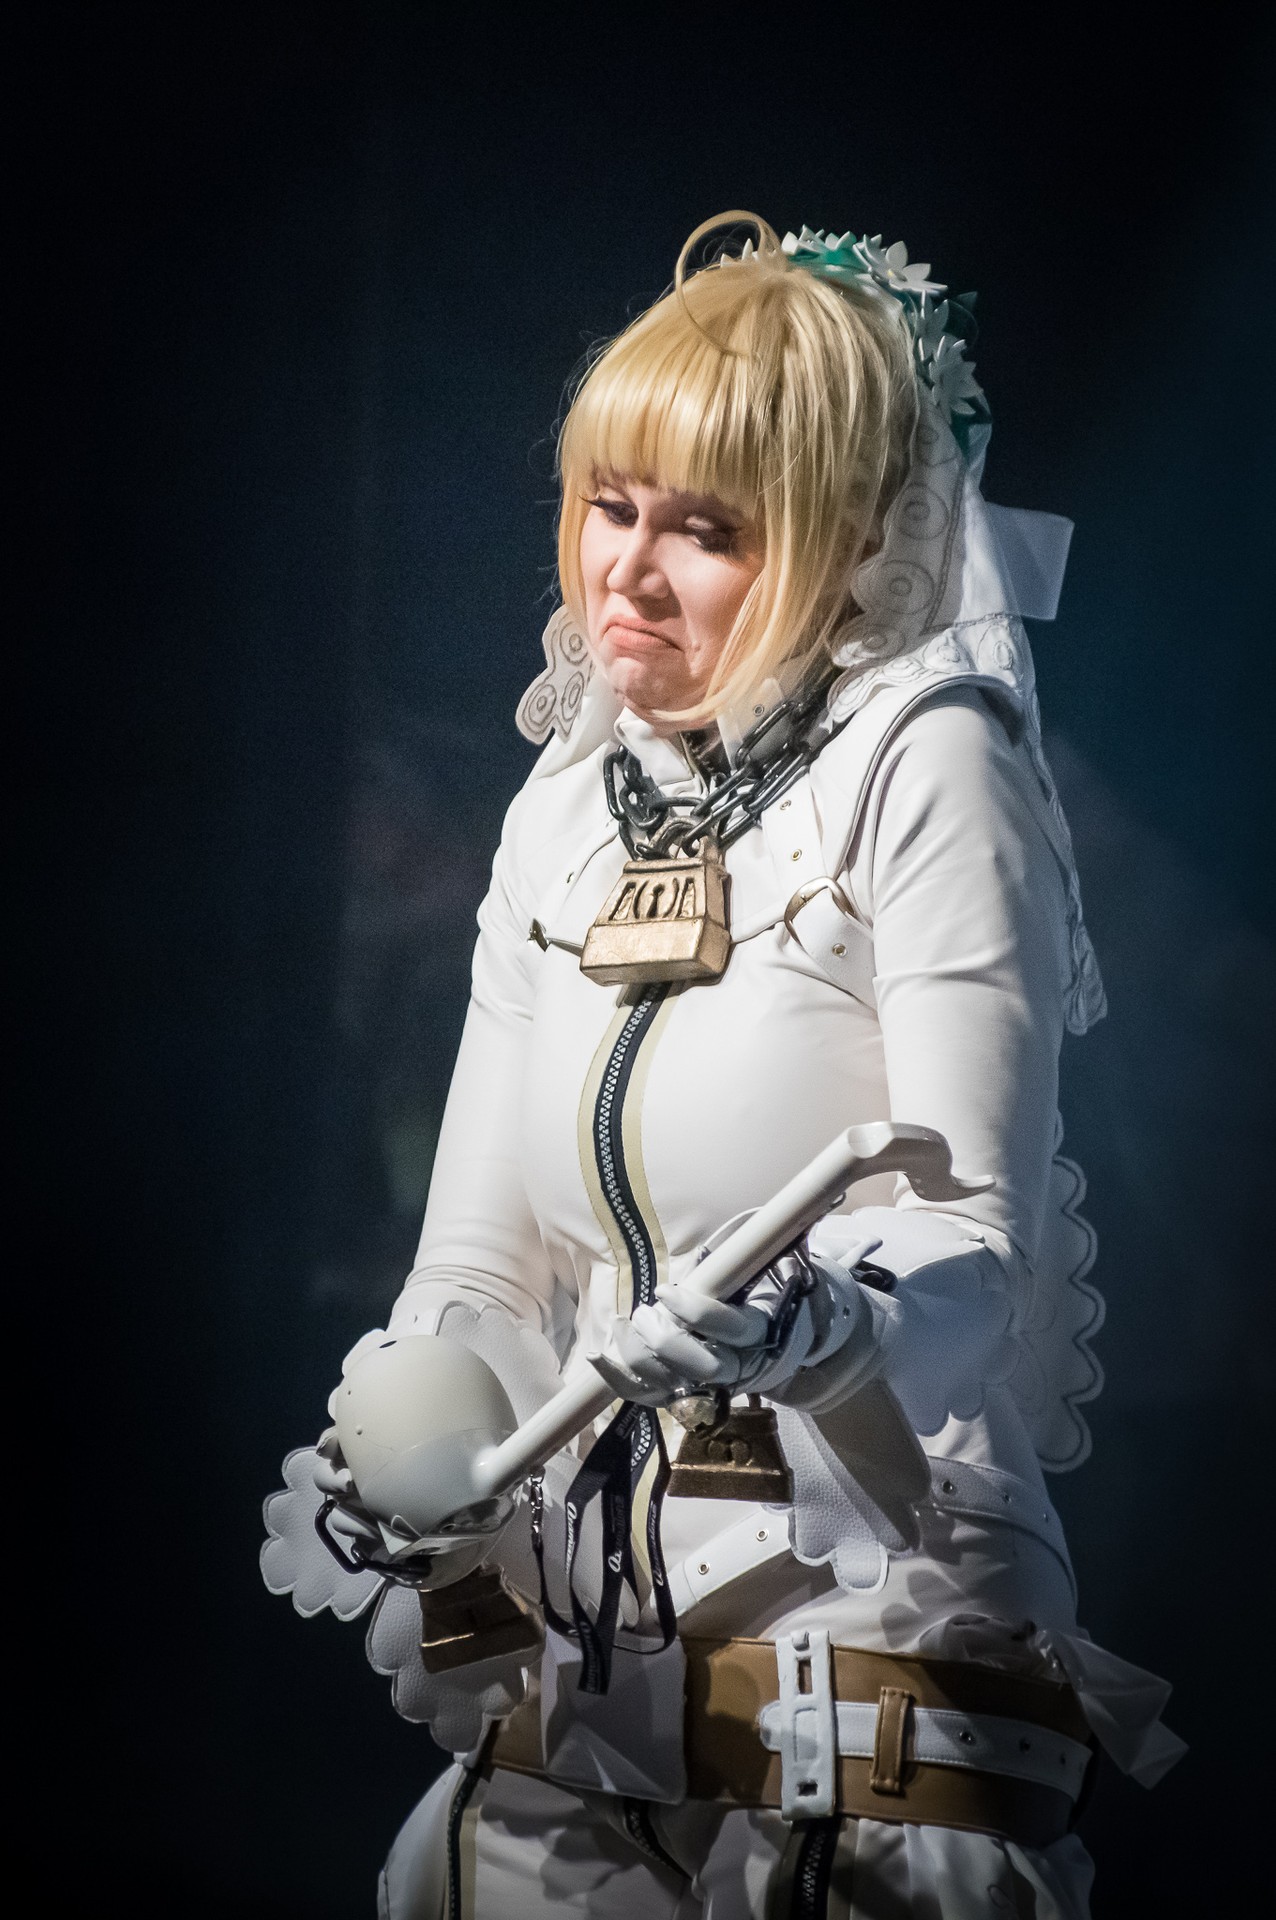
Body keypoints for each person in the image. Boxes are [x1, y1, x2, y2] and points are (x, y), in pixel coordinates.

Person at [262, 213, 1183, 1918]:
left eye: (708, 530)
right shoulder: (564, 810)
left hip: (867, 1597)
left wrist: (818, 1326)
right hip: (581, 1626)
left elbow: (975, 1240)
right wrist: (421, 1431)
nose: (626, 568)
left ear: (843, 545)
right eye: (610, 505)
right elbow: (478, 1263)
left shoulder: (928, 767)